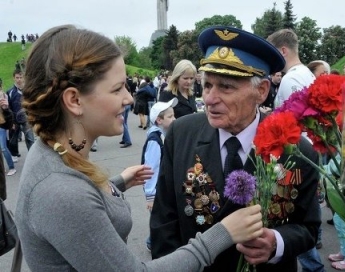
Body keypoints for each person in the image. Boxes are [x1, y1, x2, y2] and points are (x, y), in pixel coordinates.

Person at [15, 24, 264, 272]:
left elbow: (79, 202)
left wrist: (116, 184)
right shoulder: (62, 193)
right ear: (74, 100)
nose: (129, 99)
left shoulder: (53, 152)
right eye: (117, 89)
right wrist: (222, 234)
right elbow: (72, 202)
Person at [150, 26, 321, 272]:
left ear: (261, 91)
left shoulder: (295, 150)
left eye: (226, 87)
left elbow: (309, 227)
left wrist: (276, 243)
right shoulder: (181, 133)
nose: (209, 98)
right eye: (207, 85)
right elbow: (164, 221)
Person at [268, 29, 325, 272]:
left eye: (273, 55)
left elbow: (289, 124)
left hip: (295, 153)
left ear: (282, 51)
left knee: (291, 210)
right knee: (305, 205)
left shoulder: (291, 80)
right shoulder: (306, 75)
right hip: (310, 148)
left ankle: (313, 265)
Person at [142, 98, 177, 251]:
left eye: (173, 115)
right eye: (170, 116)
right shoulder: (154, 141)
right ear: (159, 120)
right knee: (160, 218)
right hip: (156, 191)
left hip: (162, 187)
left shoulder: (164, 135)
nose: (174, 119)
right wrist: (150, 196)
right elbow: (150, 168)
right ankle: (152, 242)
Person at [267, 29, 316, 109]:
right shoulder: (306, 73)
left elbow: (295, 118)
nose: (270, 58)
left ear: (283, 51)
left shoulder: (291, 79)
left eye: (272, 53)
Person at [7, 69, 35, 159]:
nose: (19, 79)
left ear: (24, 78)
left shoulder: (28, 91)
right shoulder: (10, 92)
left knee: (30, 138)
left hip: (26, 119)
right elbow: (8, 108)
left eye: (21, 77)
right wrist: (11, 122)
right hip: (14, 120)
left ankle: (32, 156)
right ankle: (14, 155)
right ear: (14, 78)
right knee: (13, 139)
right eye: (17, 77)